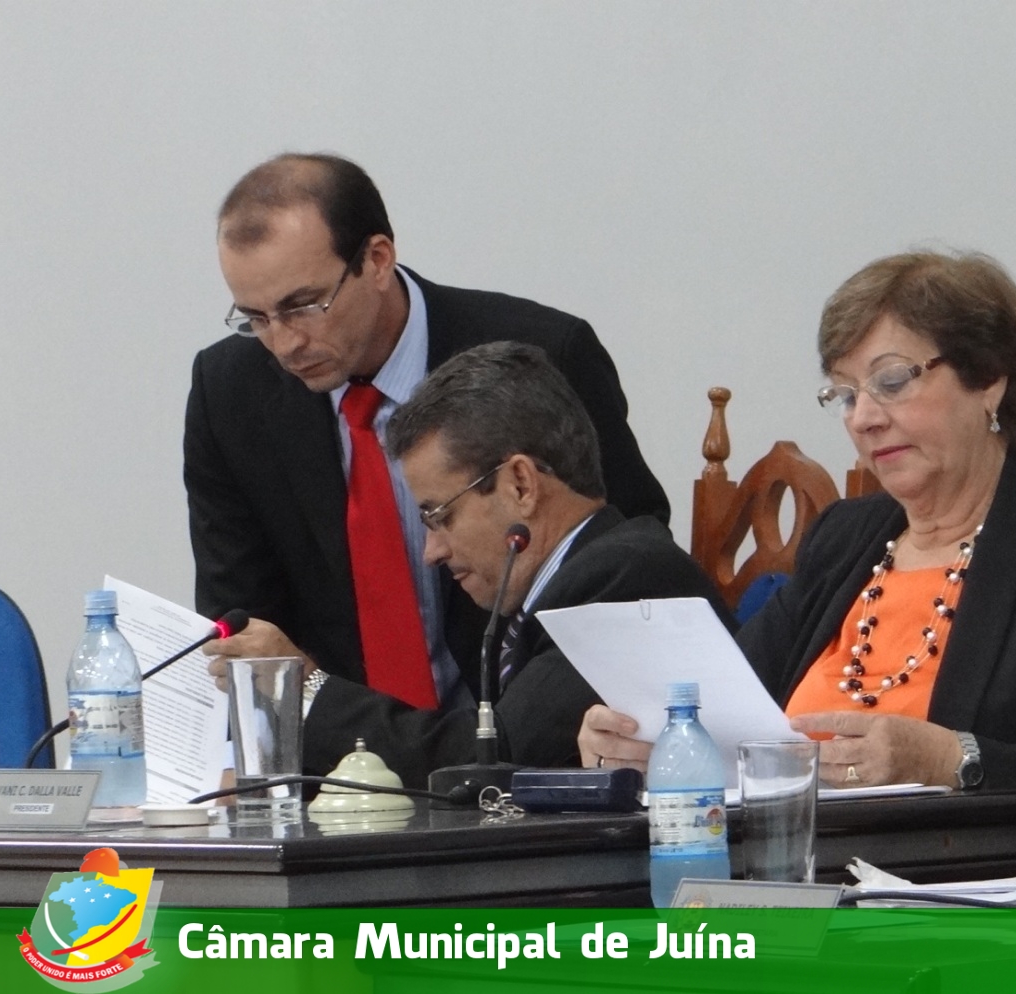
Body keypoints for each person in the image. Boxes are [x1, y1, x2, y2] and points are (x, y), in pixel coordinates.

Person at [580, 250, 1016, 840]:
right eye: (846, 395)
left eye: (892, 381)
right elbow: (728, 709)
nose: (862, 418)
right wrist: (652, 741)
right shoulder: (845, 538)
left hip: (963, 884)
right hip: (786, 867)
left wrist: (952, 760)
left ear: (988, 381)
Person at [185, 153, 668, 719]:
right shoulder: (230, 391)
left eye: (304, 306)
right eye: (256, 318)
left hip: (523, 731)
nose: (284, 344)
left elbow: (623, 561)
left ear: (377, 260)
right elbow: (240, 618)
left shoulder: (543, 353)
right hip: (335, 747)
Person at [205, 342, 733, 788]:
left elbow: (493, 761)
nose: (431, 552)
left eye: (440, 517)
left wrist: (305, 689)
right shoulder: (547, 587)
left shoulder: (628, 577)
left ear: (520, 485)